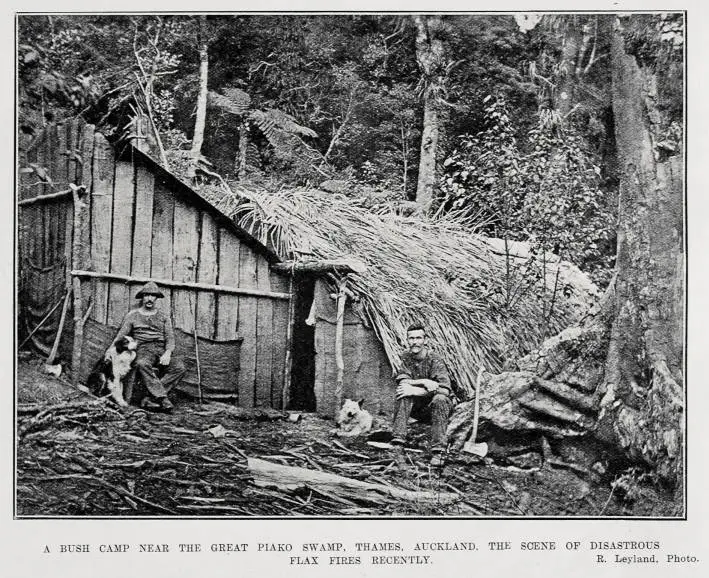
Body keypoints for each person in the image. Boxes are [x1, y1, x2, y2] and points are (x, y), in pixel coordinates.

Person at [109, 281, 186, 412]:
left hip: (161, 348)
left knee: (179, 368)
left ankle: (150, 397)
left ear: (156, 298)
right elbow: (120, 336)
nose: (149, 298)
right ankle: (162, 398)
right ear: (142, 297)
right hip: (143, 349)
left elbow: (170, 338)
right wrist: (109, 350)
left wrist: (167, 353)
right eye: (146, 295)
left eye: (153, 295)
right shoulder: (132, 315)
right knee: (142, 363)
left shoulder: (163, 316)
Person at [391, 322, 454, 467]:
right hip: (418, 408)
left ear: (425, 340)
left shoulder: (435, 359)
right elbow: (403, 381)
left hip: (436, 408)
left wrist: (417, 390)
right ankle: (397, 445)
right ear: (407, 340)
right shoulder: (406, 357)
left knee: (440, 399)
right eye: (411, 338)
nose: (415, 342)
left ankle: (439, 451)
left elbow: (445, 389)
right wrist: (424, 382)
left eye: (418, 338)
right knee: (403, 393)